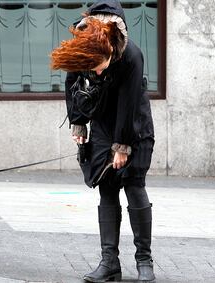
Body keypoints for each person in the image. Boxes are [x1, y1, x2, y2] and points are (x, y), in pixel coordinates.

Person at [50, 0, 155, 282]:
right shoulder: (83, 47)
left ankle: (144, 260)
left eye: (100, 66)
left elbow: (130, 103)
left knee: (134, 185)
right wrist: (78, 122)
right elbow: (72, 85)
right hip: (101, 123)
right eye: (91, 67)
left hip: (134, 123)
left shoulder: (131, 55)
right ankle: (109, 262)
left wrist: (123, 145)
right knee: (106, 188)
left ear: (110, 48)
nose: (96, 72)